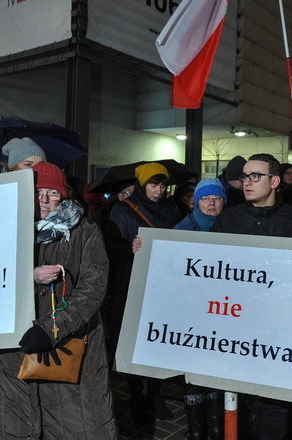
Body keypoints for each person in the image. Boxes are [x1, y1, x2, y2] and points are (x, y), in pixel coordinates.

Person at [0, 162, 117, 439]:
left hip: (70, 348)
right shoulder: (0, 228)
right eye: (37, 192)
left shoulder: (84, 231)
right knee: (17, 426)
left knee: (75, 425)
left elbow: (93, 286)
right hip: (12, 353)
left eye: (52, 193)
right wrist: (27, 276)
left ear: (64, 196)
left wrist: (52, 327)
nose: (43, 200)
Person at [211, 154, 292, 440]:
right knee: (237, 396)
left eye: (255, 176)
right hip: (237, 322)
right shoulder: (228, 220)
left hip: (280, 327)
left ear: (275, 181)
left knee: (276, 399)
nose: (247, 182)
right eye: (245, 177)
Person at [104, 162, 179, 423]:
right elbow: (110, 247)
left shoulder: (171, 208)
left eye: (162, 185)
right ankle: (136, 395)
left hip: (162, 284)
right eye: (153, 185)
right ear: (141, 185)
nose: (158, 191)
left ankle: (154, 395)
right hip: (132, 283)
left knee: (158, 339)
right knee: (133, 341)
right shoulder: (123, 208)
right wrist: (129, 247)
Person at [174, 177, 227, 439]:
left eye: (217, 198)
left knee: (218, 367)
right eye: (206, 198)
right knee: (194, 369)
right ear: (196, 201)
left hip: (224, 311)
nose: (212, 203)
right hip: (192, 312)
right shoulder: (182, 229)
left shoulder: (232, 226)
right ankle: (196, 429)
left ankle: (217, 425)